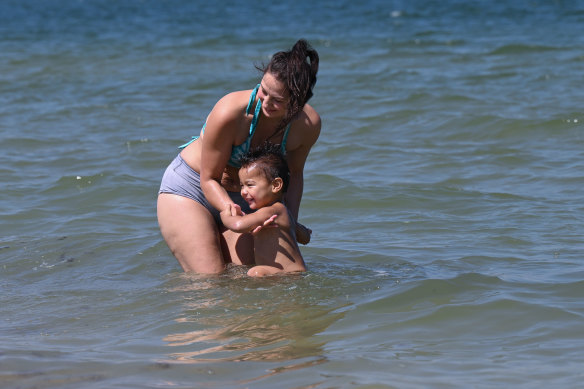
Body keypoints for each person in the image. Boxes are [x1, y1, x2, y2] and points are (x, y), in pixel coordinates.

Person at [157, 39, 320, 274]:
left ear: (297, 102)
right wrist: (227, 209)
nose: (265, 101)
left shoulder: (308, 126)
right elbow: (208, 178)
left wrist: (289, 223)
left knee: (245, 278)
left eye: (278, 100)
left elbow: (294, 175)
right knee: (210, 278)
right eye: (264, 90)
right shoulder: (230, 112)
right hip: (192, 189)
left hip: (249, 198)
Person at [220, 143, 306, 277]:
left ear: (276, 185)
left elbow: (238, 226)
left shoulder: (271, 210)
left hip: (287, 273)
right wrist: (299, 229)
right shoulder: (283, 211)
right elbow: (305, 238)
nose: (243, 192)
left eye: (249, 185)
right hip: (294, 272)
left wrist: (226, 216)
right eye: (242, 186)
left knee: (255, 271)